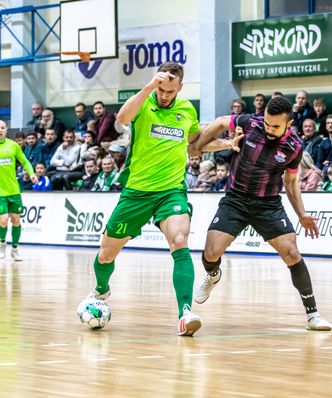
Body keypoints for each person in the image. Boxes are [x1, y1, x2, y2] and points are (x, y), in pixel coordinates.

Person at [82, 62, 242, 337]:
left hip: (171, 191)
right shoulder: (144, 103)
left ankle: (185, 313)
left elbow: (195, 144)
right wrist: (149, 86)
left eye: (171, 90)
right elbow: (121, 117)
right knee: (106, 253)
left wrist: (227, 144)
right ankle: (101, 289)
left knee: (180, 241)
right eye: (162, 89)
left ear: (180, 87)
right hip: (137, 191)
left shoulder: (186, 109)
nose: (166, 95)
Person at [191, 96, 331, 331]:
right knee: (211, 252)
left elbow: (291, 181)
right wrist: (198, 146)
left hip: (268, 205)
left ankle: (313, 315)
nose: (268, 128)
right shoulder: (250, 123)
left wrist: (302, 214)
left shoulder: (294, 147)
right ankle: (213, 275)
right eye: (266, 123)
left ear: (289, 124)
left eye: (275, 126)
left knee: (292, 253)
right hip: (235, 200)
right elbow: (221, 121)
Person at [0, 120, 38, 261]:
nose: (0, 130)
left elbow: (25, 161)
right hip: (0, 194)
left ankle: (15, 248)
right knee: (3, 221)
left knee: (16, 221)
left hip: (14, 191)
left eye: (2, 128)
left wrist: (32, 173)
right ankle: (2, 243)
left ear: (6, 129)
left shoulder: (13, 145)